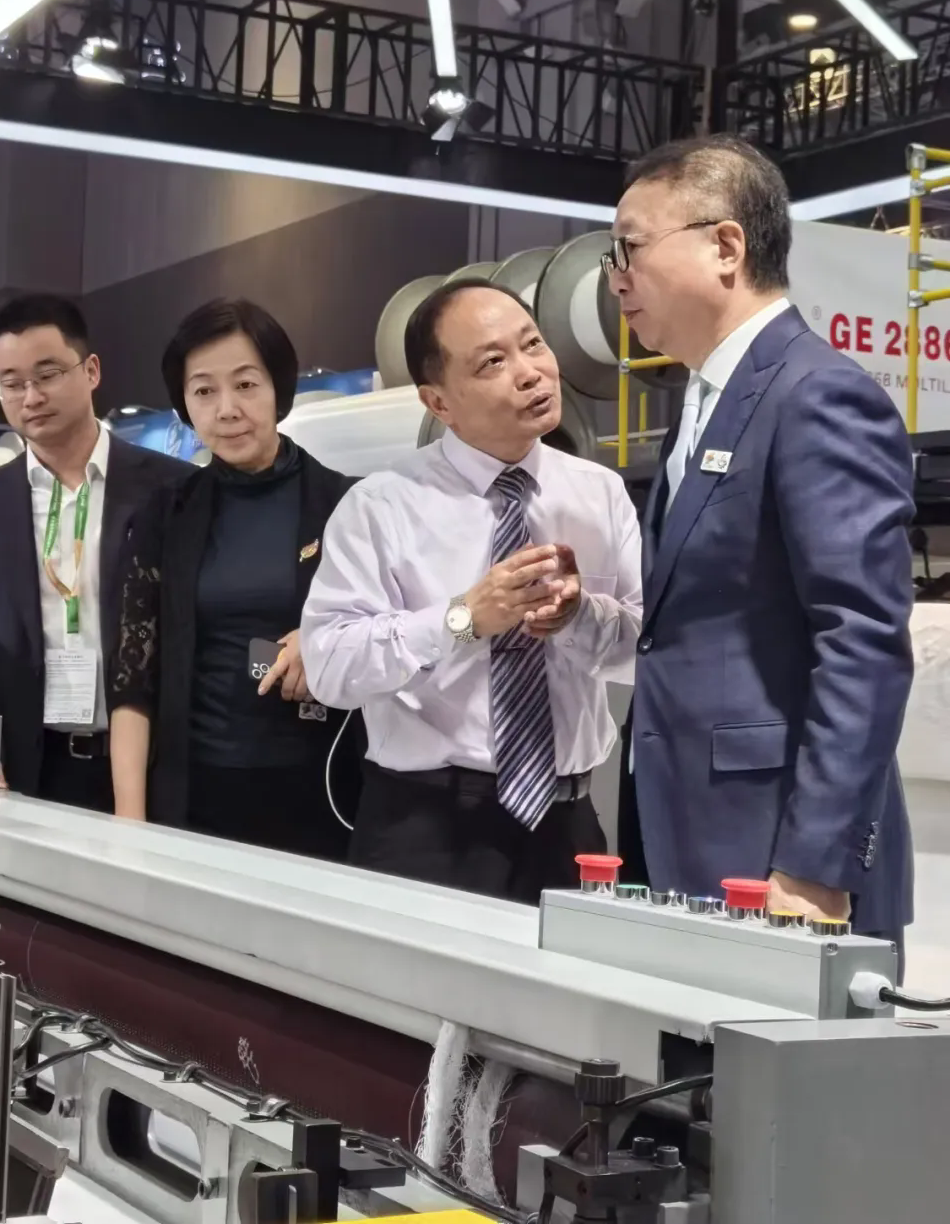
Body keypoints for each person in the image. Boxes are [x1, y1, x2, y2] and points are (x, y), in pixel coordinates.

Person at [607, 134, 914, 953]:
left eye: (630, 247)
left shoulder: (817, 394)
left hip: (781, 859)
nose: (616, 277)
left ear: (726, 246)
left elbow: (863, 640)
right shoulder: (704, 399)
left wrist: (815, 863)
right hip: (687, 831)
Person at [300, 280, 642, 902]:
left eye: (532, 344)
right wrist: (463, 618)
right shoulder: (380, 505)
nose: (530, 372)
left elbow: (641, 655)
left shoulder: (600, 493)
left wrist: (579, 617)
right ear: (438, 401)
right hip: (428, 826)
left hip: (568, 824)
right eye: (492, 362)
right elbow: (329, 668)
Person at [108, 299, 359, 856]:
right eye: (204, 391)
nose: (227, 409)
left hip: (318, 794)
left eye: (246, 384)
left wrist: (326, 642)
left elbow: (397, 634)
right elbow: (133, 681)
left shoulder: (346, 504)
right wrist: (129, 826)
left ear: (278, 387)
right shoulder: (165, 513)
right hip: (192, 794)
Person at [0, 294, 192, 810]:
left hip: (150, 767)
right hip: (27, 769)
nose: (31, 396)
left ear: (91, 371)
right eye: (11, 383)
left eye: (47, 374)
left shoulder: (173, 488)